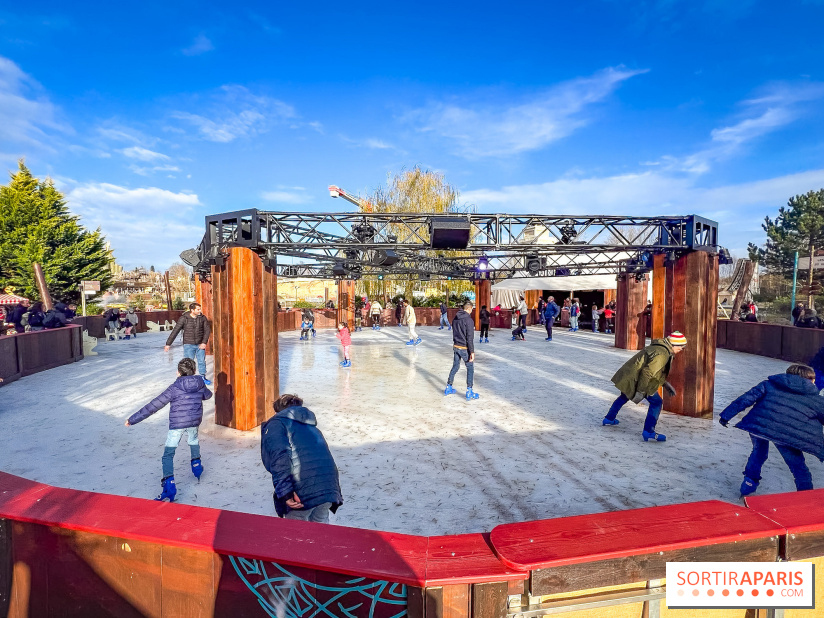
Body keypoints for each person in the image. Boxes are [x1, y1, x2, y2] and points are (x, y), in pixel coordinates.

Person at [720, 364, 824, 496]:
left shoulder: (769, 384)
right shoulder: (816, 399)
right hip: (787, 434)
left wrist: (726, 415)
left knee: (759, 453)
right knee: (798, 466)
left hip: (759, 425)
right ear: (810, 380)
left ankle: (748, 483)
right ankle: (805, 496)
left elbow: (746, 399)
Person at [125, 357, 212, 502]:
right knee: (193, 441)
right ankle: (196, 465)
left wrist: (132, 419)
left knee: (168, 454)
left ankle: (169, 484)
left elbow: (153, 406)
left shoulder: (174, 388)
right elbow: (207, 396)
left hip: (177, 425)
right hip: (194, 421)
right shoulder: (200, 383)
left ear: (178, 372)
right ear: (194, 370)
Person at [261, 394, 343, 523]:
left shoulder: (277, 424)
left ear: (277, 410)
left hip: (303, 490)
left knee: (296, 533)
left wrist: (286, 493)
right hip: (328, 487)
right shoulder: (311, 426)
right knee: (320, 532)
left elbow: (280, 459)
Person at [602, 332, 687, 442]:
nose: (682, 349)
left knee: (625, 396)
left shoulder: (660, 348)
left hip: (632, 376)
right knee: (656, 403)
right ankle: (649, 431)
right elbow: (647, 373)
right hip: (640, 380)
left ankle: (609, 418)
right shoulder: (662, 353)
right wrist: (641, 391)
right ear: (674, 344)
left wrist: (665, 384)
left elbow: (656, 372)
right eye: (681, 346)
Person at [165, 302, 212, 385]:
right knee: (188, 362)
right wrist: (168, 344)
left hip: (200, 344)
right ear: (192, 310)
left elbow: (207, 330)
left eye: (200, 309)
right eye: (198, 309)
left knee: (201, 361)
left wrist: (204, 342)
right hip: (188, 344)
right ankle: (187, 379)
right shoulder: (184, 318)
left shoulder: (202, 318)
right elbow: (175, 330)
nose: (199, 311)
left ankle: (202, 377)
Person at [445, 301, 479, 400]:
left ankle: (448, 386)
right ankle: (469, 391)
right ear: (469, 309)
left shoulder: (455, 318)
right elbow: (469, 338)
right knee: (470, 367)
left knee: (455, 366)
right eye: (472, 309)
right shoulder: (468, 320)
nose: (472, 311)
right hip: (464, 348)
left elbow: (454, 332)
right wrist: (472, 352)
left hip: (456, 346)